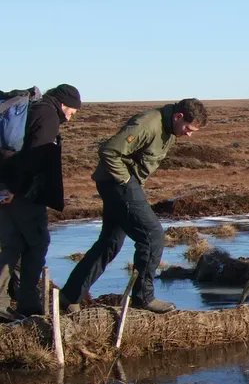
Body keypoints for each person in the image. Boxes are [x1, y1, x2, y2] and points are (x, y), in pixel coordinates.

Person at [61, 98, 208, 313]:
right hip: (117, 183)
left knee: (110, 242)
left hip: (120, 183)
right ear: (178, 116)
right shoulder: (148, 124)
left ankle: (69, 295)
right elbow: (109, 150)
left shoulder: (168, 128)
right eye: (188, 128)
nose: (189, 134)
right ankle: (143, 298)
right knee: (152, 235)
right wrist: (126, 181)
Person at [0, 84, 81, 318]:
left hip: (5, 185)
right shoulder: (47, 115)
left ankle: (4, 302)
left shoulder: (32, 108)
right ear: (64, 103)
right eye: (73, 111)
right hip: (23, 193)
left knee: (12, 245)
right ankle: (29, 304)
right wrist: (17, 188)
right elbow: (34, 159)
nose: (72, 116)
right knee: (37, 243)